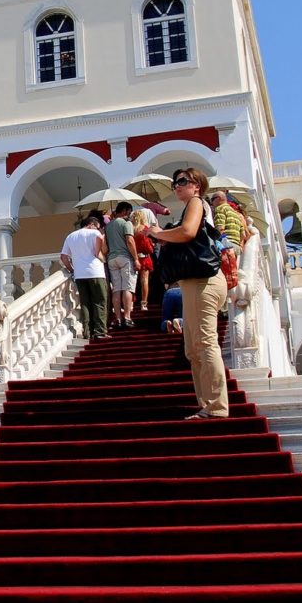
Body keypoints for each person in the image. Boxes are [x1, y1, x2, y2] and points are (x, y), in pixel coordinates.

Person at [147, 168, 228, 419]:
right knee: (193, 349)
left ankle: (216, 407)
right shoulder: (193, 206)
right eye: (175, 182)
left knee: (204, 343)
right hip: (195, 283)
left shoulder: (196, 201)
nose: (177, 186)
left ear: (197, 185)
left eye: (183, 181)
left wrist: (157, 233)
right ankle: (207, 405)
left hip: (203, 282)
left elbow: (188, 232)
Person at [60, 215, 109, 341]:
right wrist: (101, 240)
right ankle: (100, 331)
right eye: (97, 227)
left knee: (85, 303)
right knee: (99, 301)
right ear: (92, 224)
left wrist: (72, 270)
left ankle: (87, 332)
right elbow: (100, 250)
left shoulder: (71, 236)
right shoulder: (95, 233)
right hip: (95, 271)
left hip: (80, 274)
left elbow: (64, 257)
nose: (98, 229)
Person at [104, 202, 139, 329]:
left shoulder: (108, 226)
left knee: (116, 289)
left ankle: (118, 318)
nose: (129, 215)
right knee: (127, 288)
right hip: (125, 257)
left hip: (111, 259)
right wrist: (136, 259)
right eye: (129, 212)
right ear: (125, 211)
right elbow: (130, 240)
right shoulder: (126, 223)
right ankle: (127, 318)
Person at [131, 209, 155, 311]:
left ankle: (131, 303)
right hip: (144, 257)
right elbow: (148, 247)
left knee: (132, 282)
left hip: (133, 257)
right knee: (144, 281)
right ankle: (143, 303)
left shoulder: (130, 230)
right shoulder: (145, 229)